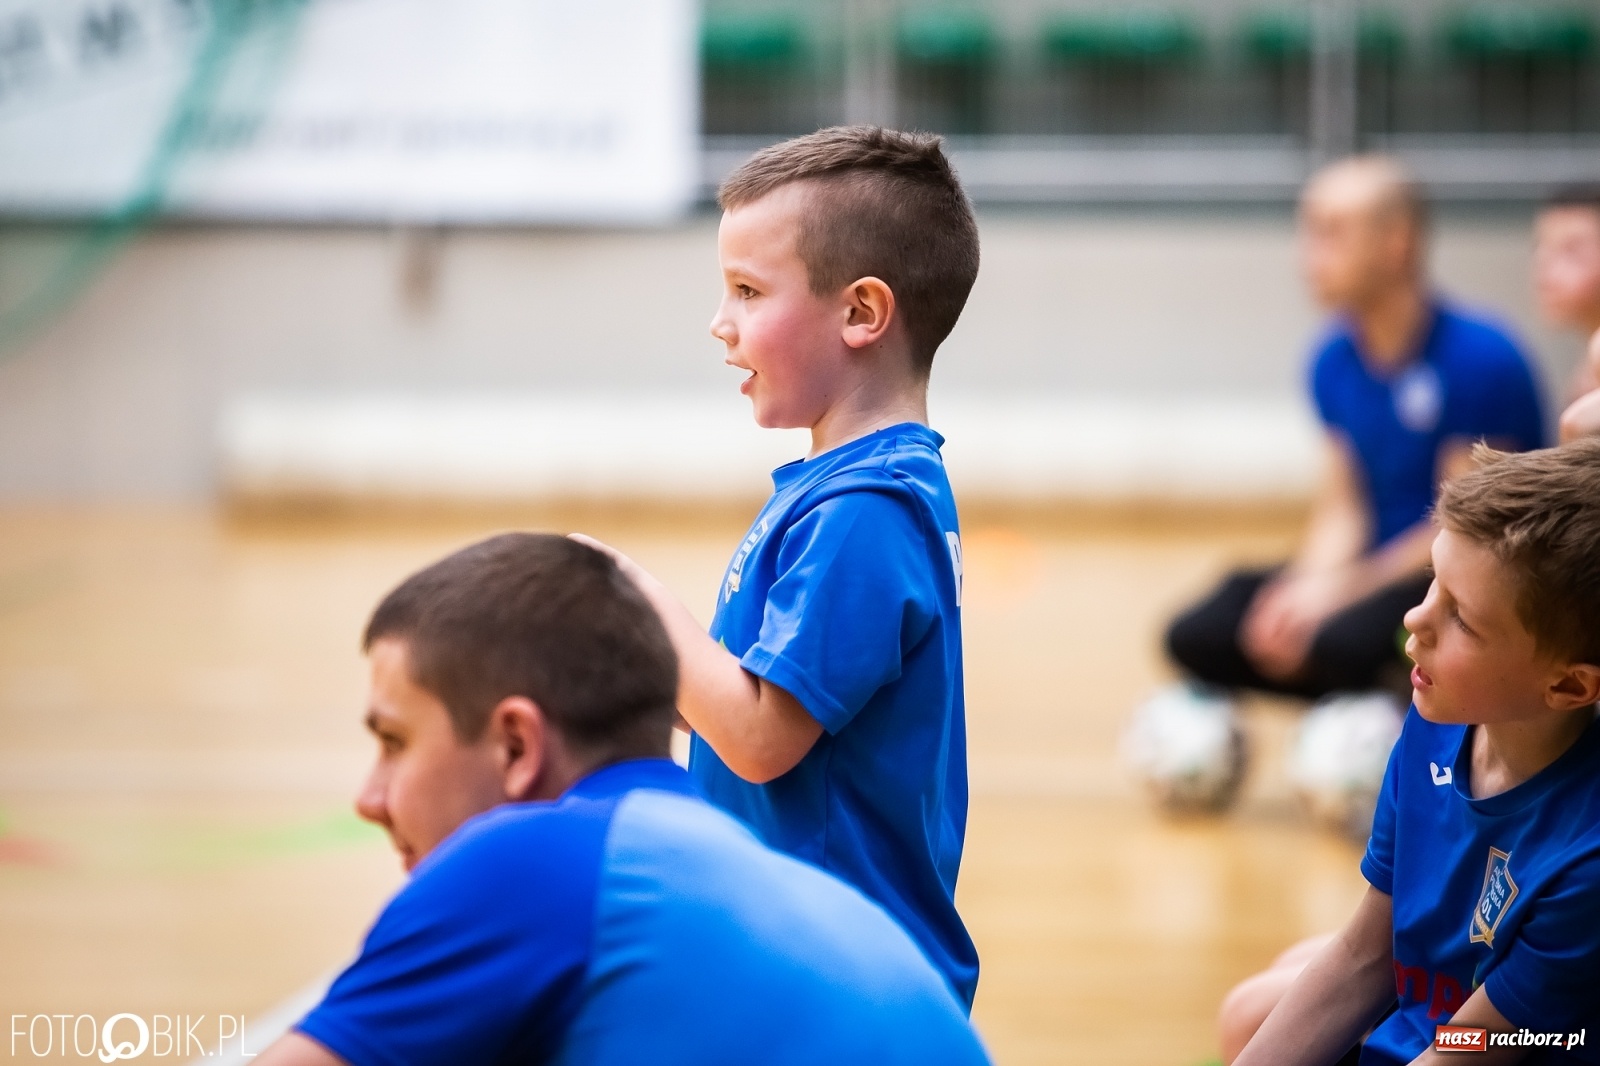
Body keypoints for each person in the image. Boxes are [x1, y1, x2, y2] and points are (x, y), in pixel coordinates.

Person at [251, 533, 992, 1066]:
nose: (368, 798)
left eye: (394, 742)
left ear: (516, 746)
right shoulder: (706, 859)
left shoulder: (528, 866)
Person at [575, 126, 982, 1006]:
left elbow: (762, 738)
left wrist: (633, 602)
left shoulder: (867, 510)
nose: (720, 324)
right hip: (794, 950)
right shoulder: (846, 490)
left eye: (749, 291)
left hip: (835, 975)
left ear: (862, 314)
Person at [1225, 440, 1600, 1066]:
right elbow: (1366, 954)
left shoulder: (1586, 853)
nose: (1414, 621)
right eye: (1432, 584)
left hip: (1500, 1044)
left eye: (1464, 620)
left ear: (1567, 686)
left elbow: (1473, 1047)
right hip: (1434, 1014)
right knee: (1255, 1012)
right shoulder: (1434, 727)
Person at [1165, 157, 1545, 703]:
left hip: (1450, 582)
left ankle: (1409, 706)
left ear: (1396, 243)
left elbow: (1463, 531)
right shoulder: (1332, 359)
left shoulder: (1482, 358)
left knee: (1346, 639)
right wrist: (1303, 590)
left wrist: (1343, 592)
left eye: (1331, 234)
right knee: (1203, 631)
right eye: (1309, 233)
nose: (1308, 258)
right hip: (1370, 567)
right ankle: (1366, 697)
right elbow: (1345, 507)